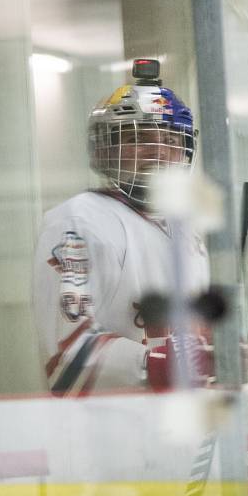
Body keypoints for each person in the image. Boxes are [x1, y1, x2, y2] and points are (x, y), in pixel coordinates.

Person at [32, 59, 212, 396]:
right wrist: (157, 363)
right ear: (103, 148)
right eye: (138, 137)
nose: (158, 151)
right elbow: (66, 360)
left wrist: (218, 347)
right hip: (110, 436)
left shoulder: (186, 230)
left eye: (171, 141)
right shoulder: (79, 221)